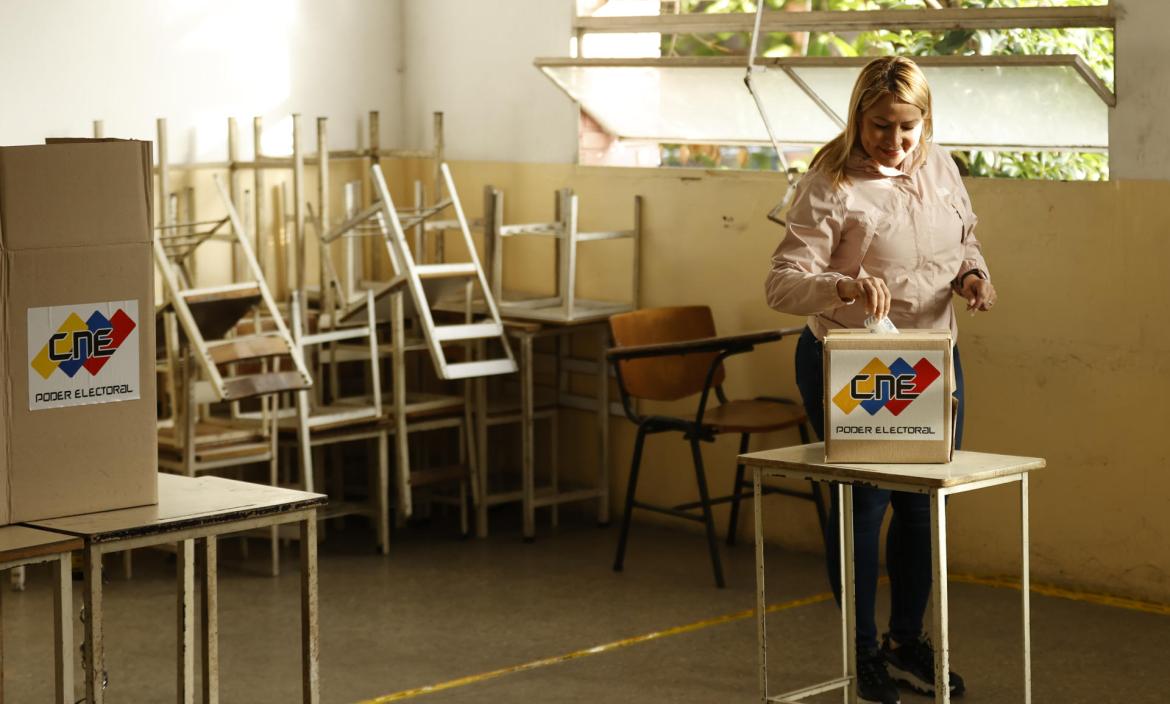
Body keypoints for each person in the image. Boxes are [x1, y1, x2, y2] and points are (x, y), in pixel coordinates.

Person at [764, 56, 996, 704]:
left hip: (929, 359)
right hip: (856, 362)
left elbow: (965, 240)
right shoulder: (830, 182)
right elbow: (780, 281)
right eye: (878, 127)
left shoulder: (941, 167)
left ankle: (905, 640)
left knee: (922, 506)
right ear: (856, 118)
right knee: (865, 507)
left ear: (926, 121)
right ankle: (861, 652)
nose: (893, 142)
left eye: (906, 127)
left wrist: (971, 275)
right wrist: (840, 283)